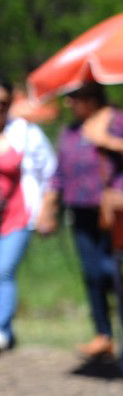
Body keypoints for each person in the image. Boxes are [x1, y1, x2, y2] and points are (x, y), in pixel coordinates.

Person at [37, 79, 123, 359]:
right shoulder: (71, 131)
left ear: (90, 99)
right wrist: (48, 208)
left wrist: (107, 141)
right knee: (91, 273)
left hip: (113, 211)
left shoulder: (119, 121)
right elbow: (60, 173)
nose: (69, 104)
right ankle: (103, 334)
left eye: (74, 99)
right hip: (80, 210)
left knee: (110, 268)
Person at [0, 78, 57, 351]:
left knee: (4, 270)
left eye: (2, 104)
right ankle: (7, 330)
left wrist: (48, 209)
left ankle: (1, 329)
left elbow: (50, 170)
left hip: (18, 215)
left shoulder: (24, 132)